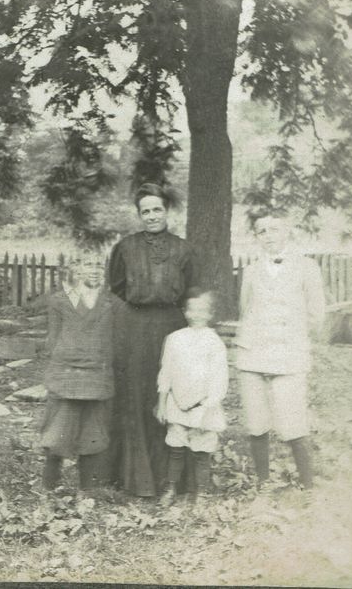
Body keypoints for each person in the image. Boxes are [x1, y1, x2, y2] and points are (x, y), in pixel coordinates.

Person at [108, 183, 198, 497]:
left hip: (172, 325)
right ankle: (136, 478)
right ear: (139, 215)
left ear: (167, 211)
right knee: (136, 395)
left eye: (156, 209)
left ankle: (173, 478)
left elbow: (191, 290)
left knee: (171, 393)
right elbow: (116, 285)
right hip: (134, 327)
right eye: (144, 211)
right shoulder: (126, 247)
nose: (151, 216)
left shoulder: (183, 249)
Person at [235, 214, 325, 501]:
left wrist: (293, 339)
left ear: (287, 232)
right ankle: (263, 481)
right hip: (254, 354)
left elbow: (316, 314)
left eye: (274, 229)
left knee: (293, 422)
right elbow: (244, 310)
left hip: (289, 355)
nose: (268, 235)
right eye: (261, 231)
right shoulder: (250, 271)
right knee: (256, 421)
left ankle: (308, 486)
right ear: (257, 237)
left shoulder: (307, 267)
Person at [40, 250, 120, 491]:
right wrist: (59, 370)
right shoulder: (59, 301)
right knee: (57, 435)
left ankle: (87, 491)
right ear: (75, 269)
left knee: (92, 435)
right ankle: (48, 488)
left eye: (98, 264)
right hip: (66, 376)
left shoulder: (111, 302)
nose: (94, 269)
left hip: (97, 376)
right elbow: (52, 341)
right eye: (88, 264)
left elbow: (115, 340)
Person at [155, 290, 229, 506]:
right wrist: (162, 405)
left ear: (210, 313)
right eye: (192, 309)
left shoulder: (214, 342)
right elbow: (165, 373)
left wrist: (206, 408)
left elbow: (219, 380)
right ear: (185, 312)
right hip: (177, 403)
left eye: (202, 310)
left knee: (201, 451)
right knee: (176, 449)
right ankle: (171, 488)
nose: (197, 314)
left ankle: (202, 492)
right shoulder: (175, 339)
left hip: (204, 406)